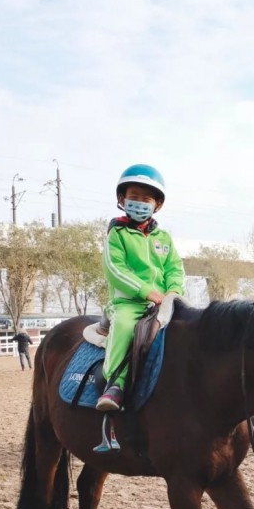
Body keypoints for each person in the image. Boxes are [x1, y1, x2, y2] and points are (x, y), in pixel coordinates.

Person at [96, 164, 185, 411]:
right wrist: (146, 291)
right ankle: (115, 385)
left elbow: (174, 268)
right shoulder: (118, 234)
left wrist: (174, 291)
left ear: (157, 205)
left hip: (164, 303)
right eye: (133, 197)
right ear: (122, 199)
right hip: (129, 303)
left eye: (146, 199)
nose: (139, 202)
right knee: (125, 327)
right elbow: (115, 270)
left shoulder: (164, 238)